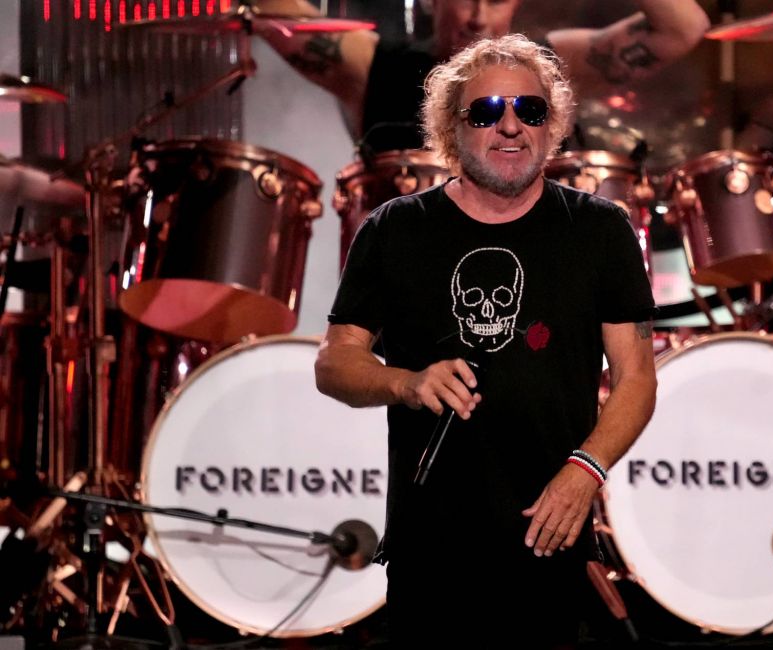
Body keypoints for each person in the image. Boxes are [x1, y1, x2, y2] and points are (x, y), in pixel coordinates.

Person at [314, 35, 657, 648]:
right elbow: (335, 363)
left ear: (551, 126)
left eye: (530, 110)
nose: (510, 126)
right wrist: (407, 382)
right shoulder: (396, 229)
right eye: (486, 111)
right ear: (451, 127)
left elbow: (635, 378)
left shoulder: (600, 231)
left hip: (548, 533)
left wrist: (585, 470)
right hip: (432, 545)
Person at [257, 0, 709, 152]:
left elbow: (683, 29)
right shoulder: (376, 68)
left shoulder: (550, 66)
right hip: (406, 321)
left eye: (493, 1)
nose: (477, 17)